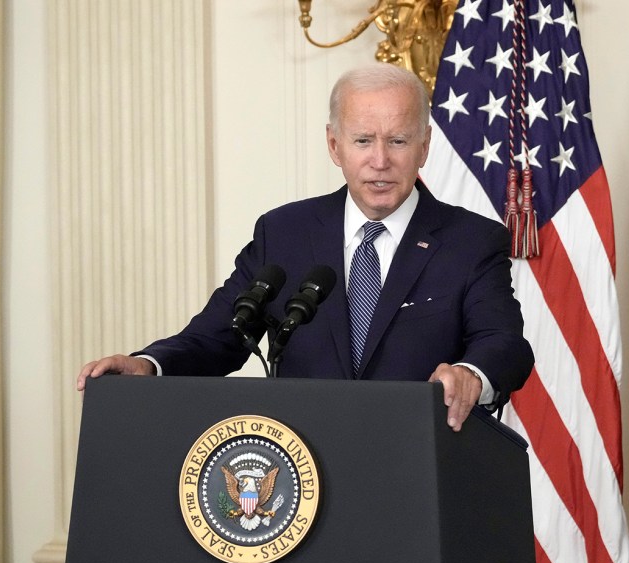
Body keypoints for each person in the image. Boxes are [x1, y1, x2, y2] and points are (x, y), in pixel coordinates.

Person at [77, 63, 534, 431]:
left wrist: (471, 375)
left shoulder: (472, 240)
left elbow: (504, 343)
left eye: (397, 140)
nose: (380, 161)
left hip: (421, 467)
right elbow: (218, 335)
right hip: (303, 477)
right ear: (335, 146)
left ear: (424, 146)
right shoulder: (284, 232)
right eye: (362, 141)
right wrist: (147, 364)